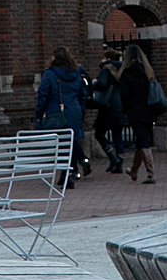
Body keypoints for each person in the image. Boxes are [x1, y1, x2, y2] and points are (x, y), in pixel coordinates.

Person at [35, 46, 92, 180]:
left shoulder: (50, 74)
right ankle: (78, 165)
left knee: (62, 143)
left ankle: (70, 172)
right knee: (71, 139)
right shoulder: (76, 73)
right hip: (74, 110)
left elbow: (43, 94)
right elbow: (83, 93)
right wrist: (80, 108)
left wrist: (39, 112)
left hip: (56, 111)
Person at [119, 43, 160, 183]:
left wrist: (124, 110)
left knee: (143, 141)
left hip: (135, 111)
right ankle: (134, 170)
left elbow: (124, 94)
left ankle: (151, 173)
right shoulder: (148, 71)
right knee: (141, 141)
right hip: (149, 109)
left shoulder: (127, 73)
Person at [92, 50, 128, 173]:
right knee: (117, 134)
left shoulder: (106, 69)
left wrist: (94, 83)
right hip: (120, 105)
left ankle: (112, 156)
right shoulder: (122, 70)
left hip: (107, 106)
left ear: (107, 58)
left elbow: (102, 84)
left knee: (99, 133)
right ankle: (119, 163)